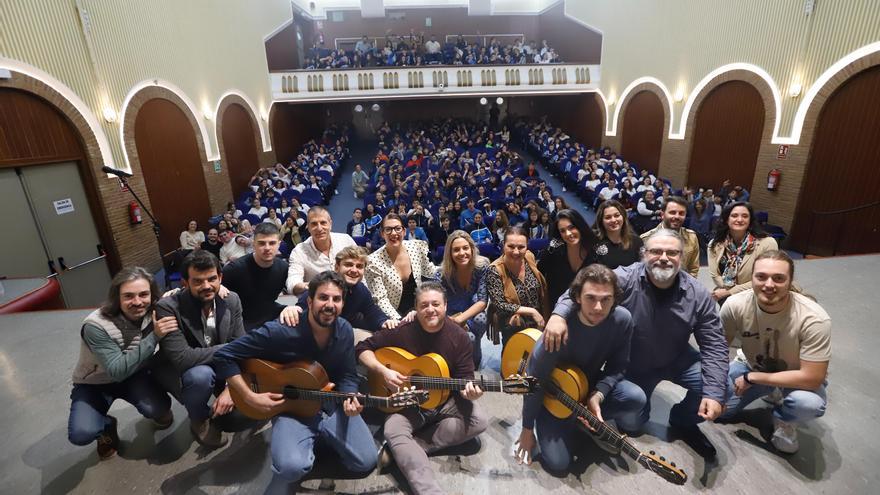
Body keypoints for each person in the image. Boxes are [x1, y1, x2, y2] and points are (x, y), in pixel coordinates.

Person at [544, 229, 729, 458]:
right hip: (636, 364)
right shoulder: (625, 278)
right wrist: (558, 315)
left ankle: (682, 421)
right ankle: (588, 414)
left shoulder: (698, 293)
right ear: (644, 254)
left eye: (672, 252)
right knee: (633, 424)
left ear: (682, 257)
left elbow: (715, 344)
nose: (663, 257)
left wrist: (713, 393)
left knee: (720, 386)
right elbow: (582, 288)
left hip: (678, 357)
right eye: (656, 251)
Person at [213, 271, 376, 492]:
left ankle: (305, 463)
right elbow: (224, 356)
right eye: (323, 298)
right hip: (292, 410)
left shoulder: (344, 330)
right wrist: (249, 395)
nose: (330, 305)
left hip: (331, 404)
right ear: (309, 301)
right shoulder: (280, 331)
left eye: (336, 299)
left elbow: (348, 374)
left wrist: (350, 395)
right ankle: (292, 466)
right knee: (290, 467)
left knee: (366, 461)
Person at [357, 282, 488, 495]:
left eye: (436, 304)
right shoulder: (402, 331)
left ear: (445, 306)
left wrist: (472, 391)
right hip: (408, 403)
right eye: (424, 305)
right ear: (416, 309)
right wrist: (382, 371)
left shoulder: (459, 337)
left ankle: (407, 447)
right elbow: (363, 348)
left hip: (445, 400)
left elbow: (466, 378)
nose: (430, 309)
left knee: (479, 421)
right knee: (393, 429)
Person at [514, 264, 646, 471]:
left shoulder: (622, 320)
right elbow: (534, 382)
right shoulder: (557, 331)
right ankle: (576, 420)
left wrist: (598, 395)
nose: (598, 308)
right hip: (554, 398)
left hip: (588, 385)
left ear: (614, 299)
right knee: (559, 464)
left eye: (606, 299)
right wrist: (527, 428)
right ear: (576, 297)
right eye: (591, 298)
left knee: (636, 397)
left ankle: (585, 416)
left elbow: (618, 366)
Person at [719, 250, 830, 453]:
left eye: (778, 278)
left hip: (793, 375)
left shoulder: (814, 318)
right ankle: (770, 390)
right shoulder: (734, 305)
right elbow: (717, 351)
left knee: (807, 404)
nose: (769, 285)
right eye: (761, 276)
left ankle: (784, 418)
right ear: (751, 278)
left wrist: (752, 378)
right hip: (751, 364)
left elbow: (813, 378)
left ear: (790, 280)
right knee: (719, 412)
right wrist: (713, 389)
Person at [68, 267, 176, 460]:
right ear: (116, 297)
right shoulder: (96, 325)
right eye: (128, 296)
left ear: (152, 294)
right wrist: (154, 336)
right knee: (81, 434)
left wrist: (220, 289)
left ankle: (155, 406)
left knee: (158, 409)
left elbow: (185, 292)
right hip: (95, 383)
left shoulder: (154, 308)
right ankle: (106, 426)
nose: (137, 302)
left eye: (144, 294)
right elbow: (117, 371)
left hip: (134, 375)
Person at [155, 250, 245, 448]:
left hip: (221, 365)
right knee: (201, 376)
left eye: (212, 278)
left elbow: (243, 349)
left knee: (241, 417)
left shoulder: (231, 300)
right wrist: (231, 348)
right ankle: (198, 418)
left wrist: (231, 388)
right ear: (185, 283)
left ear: (220, 277)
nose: (206, 286)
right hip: (188, 372)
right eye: (197, 281)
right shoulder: (168, 307)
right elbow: (183, 358)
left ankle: (223, 394)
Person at [296, 246, 397, 344]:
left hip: (341, 333)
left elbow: (372, 311)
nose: (354, 270)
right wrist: (292, 310)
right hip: (313, 338)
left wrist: (384, 321)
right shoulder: (323, 283)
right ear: (337, 267)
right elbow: (299, 310)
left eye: (359, 266)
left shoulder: (360, 289)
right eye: (348, 265)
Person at [222, 223, 300, 331]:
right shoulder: (234, 269)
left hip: (269, 314)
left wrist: (292, 308)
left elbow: (297, 291)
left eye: (272, 243)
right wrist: (219, 287)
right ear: (253, 244)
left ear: (279, 244)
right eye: (261, 243)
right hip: (241, 320)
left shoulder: (284, 268)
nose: (267, 248)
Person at [365, 213, 438, 320]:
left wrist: (449, 268)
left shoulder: (416, 247)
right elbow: (381, 299)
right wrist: (401, 321)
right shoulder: (373, 262)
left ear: (404, 231)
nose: (394, 233)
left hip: (418, 306)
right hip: (392, 314)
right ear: (382, 234)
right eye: (388, 229)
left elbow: (429, 270)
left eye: (397, 229)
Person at [485, 226, 549, 348]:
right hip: (513, 319)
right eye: (511, 246)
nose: (516, 252)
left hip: (539, 315)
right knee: (516, 354)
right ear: (503, 245)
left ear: (527, 247)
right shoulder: (494, 269)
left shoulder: (529, 257)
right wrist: (532, 312)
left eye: (521, 247)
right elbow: (500, 304)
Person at [708, 201, 779, 304]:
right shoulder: (714, 244)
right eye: (734, 216)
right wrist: (727, 290)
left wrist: (730, 291)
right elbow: (715, 275)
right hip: (725, 297)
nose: (740, 220)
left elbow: (765, 277)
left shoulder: (767, 243)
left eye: (745, 216)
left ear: (750, 220)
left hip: (755, 297)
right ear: (727, 219)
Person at [440, 231, 490, 367]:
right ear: (449, 253)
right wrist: (452, 321)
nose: (462, 253)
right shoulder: (442, 274)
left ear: (472, 249)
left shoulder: (482, 267)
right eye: (456, 250)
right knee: (468, 338)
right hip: (449, 317)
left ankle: (475, 350)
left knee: (481, 320)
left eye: (465, 248)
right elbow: (438, 302)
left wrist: (460, 320)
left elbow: (482, 301)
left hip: (471, 316)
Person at [286, 206, 356, 295]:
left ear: (330, 224)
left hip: (350, 295)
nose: (319, 228)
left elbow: (362, 269)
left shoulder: (346, 240)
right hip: (320, 300)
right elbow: (293, 281)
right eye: (314, 224)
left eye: (323, 223)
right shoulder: (299, 251)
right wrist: (311, 286)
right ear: (308, 226)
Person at [538, 209, 600, 305]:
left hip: (588, 306)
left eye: (571, 227)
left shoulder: (595, 248)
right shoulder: (553, 249)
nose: (568, 234)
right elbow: (539, 273)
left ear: (580, 226)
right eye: (562, 231)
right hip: (558, 306)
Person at [640, 197, 700, 277]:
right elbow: (641, 271)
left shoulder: (691, 237)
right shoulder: (645, 239)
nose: (677, 217)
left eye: (681, 213)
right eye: (672, 212)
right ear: (662, 215)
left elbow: (693, 269)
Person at [592, 200, 644, 269]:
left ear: (623, 217)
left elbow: (642, 269)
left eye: (617, 215)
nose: (613, 220)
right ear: (601, 221)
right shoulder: (593, 242)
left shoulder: (637, 241)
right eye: (608, 217)